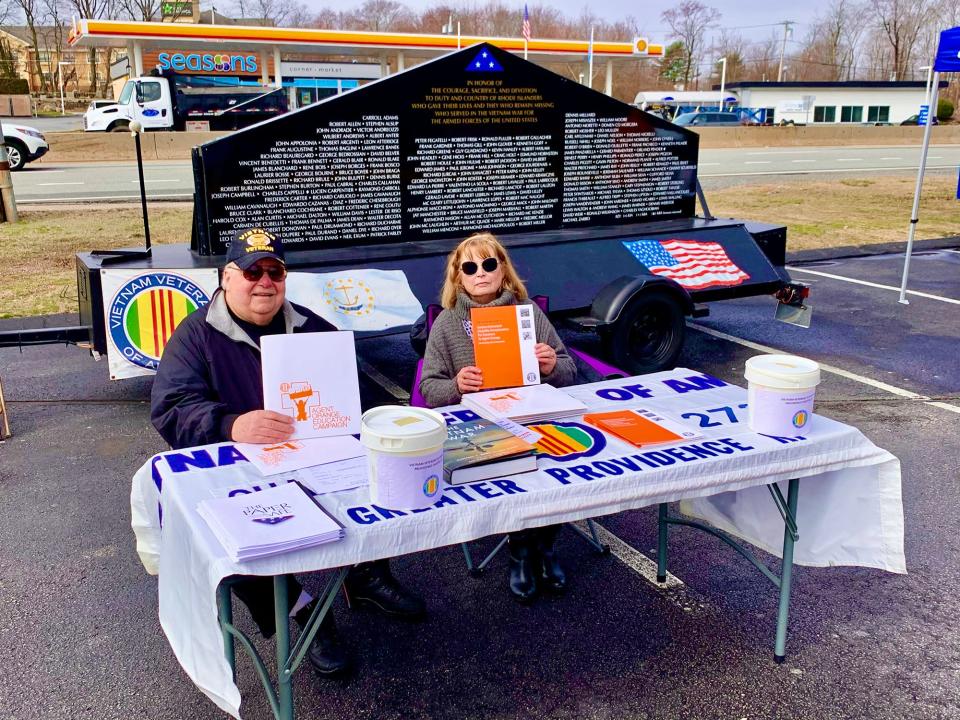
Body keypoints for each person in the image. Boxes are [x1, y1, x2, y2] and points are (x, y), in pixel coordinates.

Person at [151, 227, 425, 677]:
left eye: (274, 272)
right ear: (226, 277)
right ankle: (303, 614)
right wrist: (232, 424)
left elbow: (354, 396)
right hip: (235, 470)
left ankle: (366, 575)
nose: (264, 281)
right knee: (232, 536)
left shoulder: (312, 327)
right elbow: (171, 408)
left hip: (312, 458)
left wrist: (381, 422)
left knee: (379, 477)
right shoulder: (195, 335)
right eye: (251, 271)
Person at [419, 232, 577, 603]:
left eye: (489, 263)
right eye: (469, 267)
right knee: (513, 464)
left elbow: (570, 370)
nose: (480, 273)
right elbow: (429, 388)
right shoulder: (446, 323)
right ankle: (521, 549)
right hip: (481, 425)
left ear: (502, 269)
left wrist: (552, 364)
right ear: (458, 277)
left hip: (534, 414)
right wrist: (457, 385)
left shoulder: (528, 314)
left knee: (556, 461)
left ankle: (546, 544)